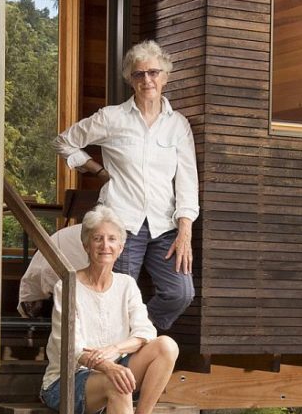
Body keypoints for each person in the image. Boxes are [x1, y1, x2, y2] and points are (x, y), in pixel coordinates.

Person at [54, 39, 198, 334]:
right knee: (115, 297)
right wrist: (96, 169)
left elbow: (187, 179)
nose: (147, 80)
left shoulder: (178, 125)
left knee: (181, 293)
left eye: (154, 72)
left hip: (165, 227)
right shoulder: (112, 118)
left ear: (165, 77)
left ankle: (138, 338)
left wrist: (185, 229)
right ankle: (115, 361)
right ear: (130, 80)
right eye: (139, 74)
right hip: (121, 224)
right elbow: (64, 142)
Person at [40, 204, 180, 414]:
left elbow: (146, 331)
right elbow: (72, 347)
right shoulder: (68, 286)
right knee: (116, 382)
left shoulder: (127, 285)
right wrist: (106, 365)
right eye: (98, 238)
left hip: (113, 368)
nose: (106, 245)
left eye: (113, 239)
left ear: (121, 246)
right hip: (67, 380)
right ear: (86, 243)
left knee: (167, 346)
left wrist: (116, 351)